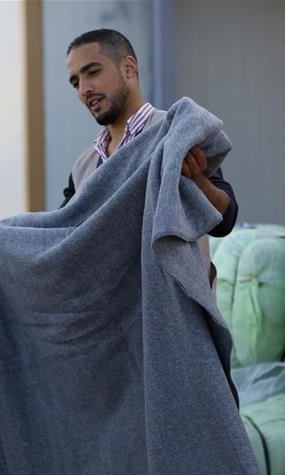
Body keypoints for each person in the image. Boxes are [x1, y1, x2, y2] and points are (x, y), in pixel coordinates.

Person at [62, 29, 237, 288]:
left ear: (129, 68)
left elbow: (225, 220)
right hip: (112, 322)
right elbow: (60, 235)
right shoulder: (83, 167)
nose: (84, 90)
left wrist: (199, 181)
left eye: (93, 72)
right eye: (76, 82)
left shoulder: (175, 134)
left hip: (173, 319)